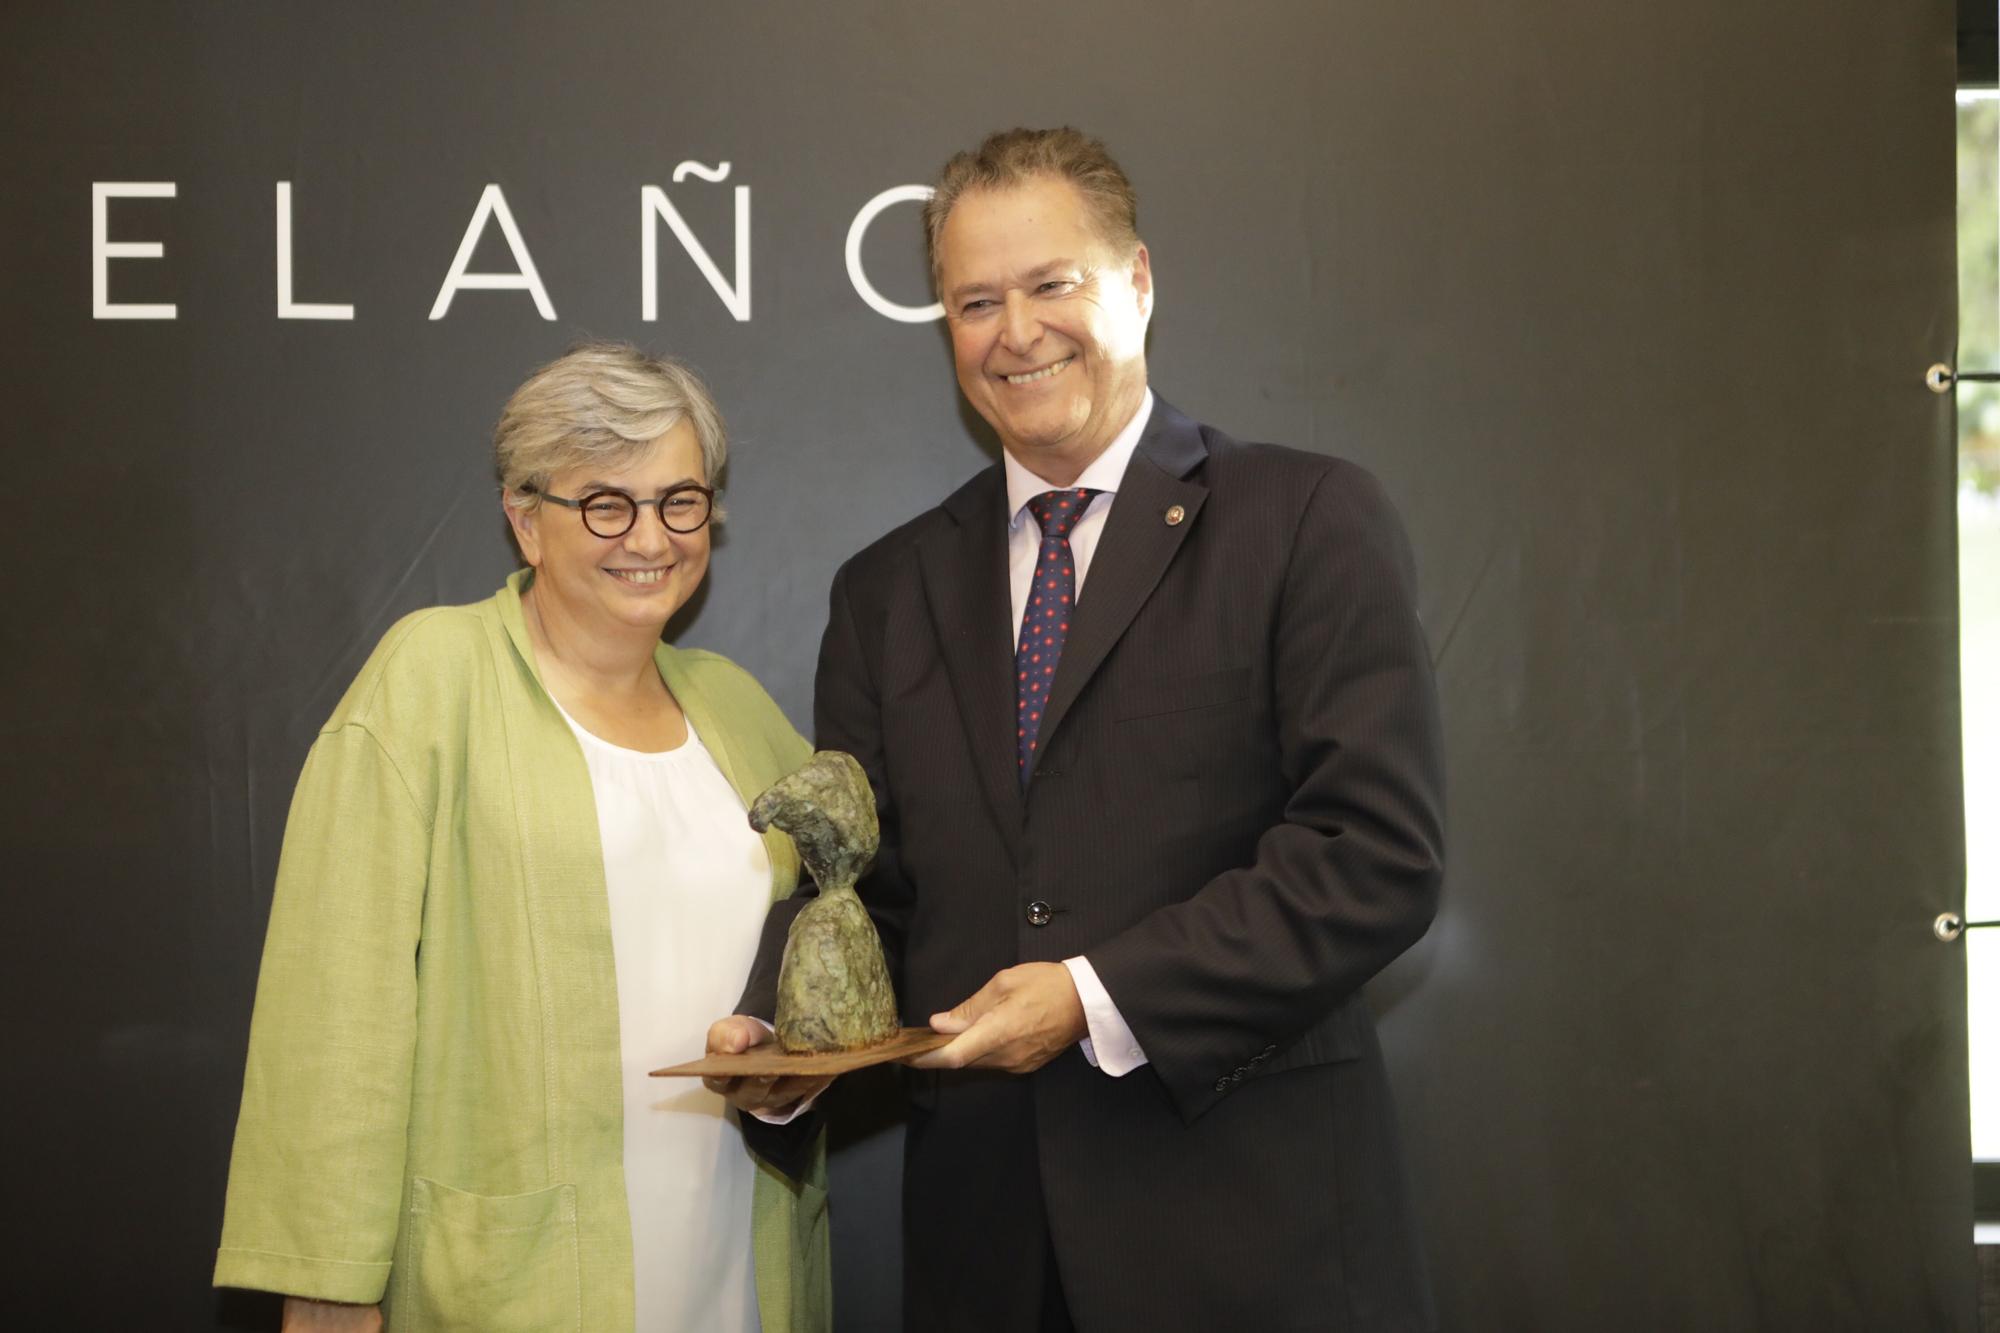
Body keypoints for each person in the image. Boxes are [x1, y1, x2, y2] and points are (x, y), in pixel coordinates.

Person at [710, 128, 1447, 1331]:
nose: (1015, 331)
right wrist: (785, 1048)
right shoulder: (883, 592)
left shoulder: (1304, 518)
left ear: (1138, 281)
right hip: (985, 1255)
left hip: (1253, 1245)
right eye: (974, 300)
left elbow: (1373, 858)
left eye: (1052, 283)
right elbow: (870, 892)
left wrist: (1094, 996)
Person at [214, 342, 829, 1333]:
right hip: (508, 1283)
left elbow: (819, 953)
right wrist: (327, 1292)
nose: (649, 536)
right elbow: (334, 1011)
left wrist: (790, 1079)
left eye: (679, 498)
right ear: (523, 519)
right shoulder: (429, 680)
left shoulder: (743, 711)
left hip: (734, 1261)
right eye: (604, 502)